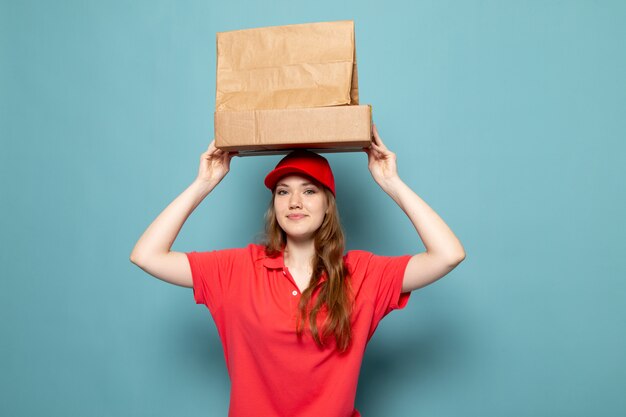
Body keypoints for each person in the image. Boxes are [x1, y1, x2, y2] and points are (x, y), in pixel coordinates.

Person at [130, 124, 466, 417]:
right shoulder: (237, 268)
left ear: (327, 204)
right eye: (283, 192)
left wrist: (391, 182)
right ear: (274, 204)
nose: (295, 202)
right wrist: (204, 182)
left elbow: (447, 254)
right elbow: (147, 255)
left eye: (309, 191)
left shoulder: (362, 274)